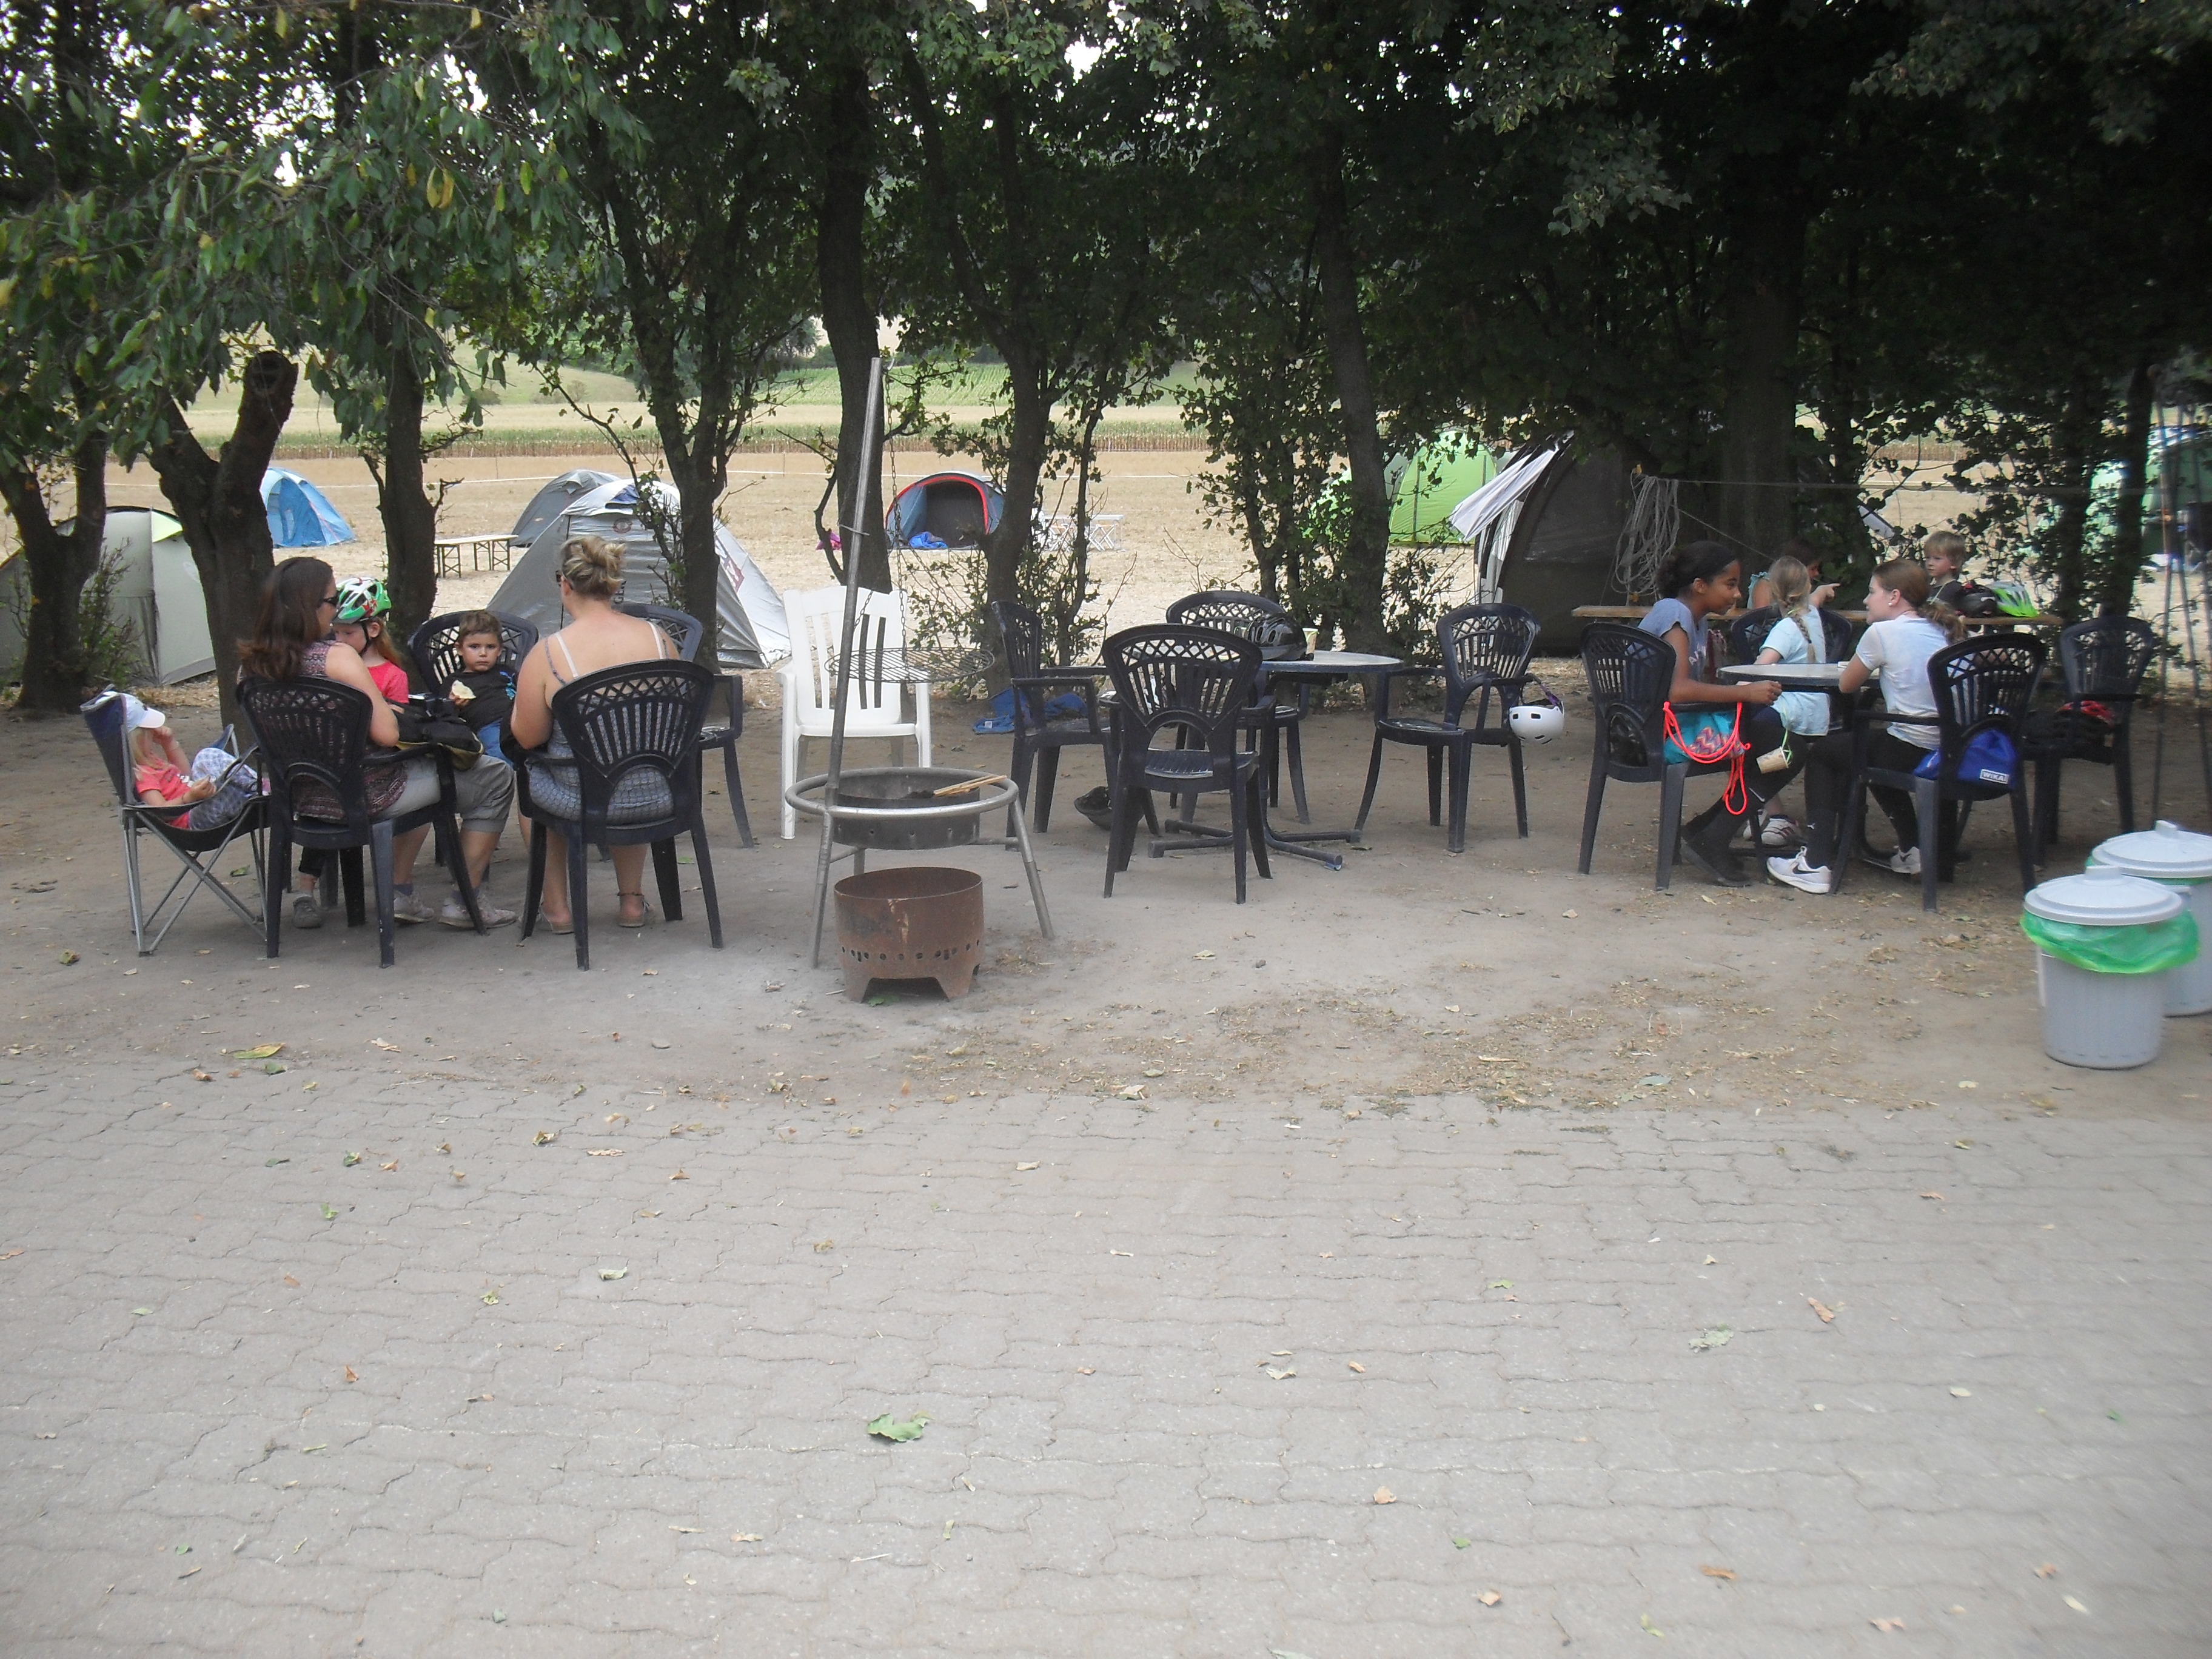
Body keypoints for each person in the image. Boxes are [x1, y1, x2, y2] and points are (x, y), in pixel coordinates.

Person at [240, 556, 517, 931]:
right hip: (366, 794)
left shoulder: (251, 667)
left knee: (438, 772)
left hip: (299, 798)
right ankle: (463, 901)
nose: (335, 611)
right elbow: (387, 735)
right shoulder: (337, 658)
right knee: (496, 776)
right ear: (310, 607)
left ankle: (404, 893)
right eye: (332, 601)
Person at [508, 535, 677, 932]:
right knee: (627, 764)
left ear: (565, 584)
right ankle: (631, 902)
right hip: (658, 790)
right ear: (614, 585)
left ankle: (557, 908)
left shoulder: (550, 654)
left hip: (581, 798)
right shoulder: (660, 640)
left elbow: (528, 739)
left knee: (532, 783)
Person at [1766, 557, 1965, 894]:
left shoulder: (1883, 633)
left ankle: (1815, 863)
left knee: (1827, 754)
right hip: (1951, 747)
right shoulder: (1944, 629)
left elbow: (1846, 685)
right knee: (1872, 750)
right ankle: (1914, 849)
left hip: (1912, 746)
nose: (1865, 599)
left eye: (1872, 592)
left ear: (1894, 597)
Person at [1640, 540, 1803, 886]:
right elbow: (1678, 691)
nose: (1738, 594)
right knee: (1788, 749)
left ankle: (1708, 829)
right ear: (1700, 585)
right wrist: (1744, 693)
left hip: (1670, 724)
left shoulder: (1694, 620)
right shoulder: (1674, 614)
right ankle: (1711, 835)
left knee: (1778, 744)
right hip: (1655, 734)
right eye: (1730, 584)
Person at [122, 695, 258, 830]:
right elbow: (161, 812)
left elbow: (186, 775)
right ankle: (257, 792)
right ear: (138, 739)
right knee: (222, 787)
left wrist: (168, 743)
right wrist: (189, 798)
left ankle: (255, 786)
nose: (154, 732)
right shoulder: (143, 776)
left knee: (206, 756)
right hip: (191, 818)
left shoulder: (151, 760)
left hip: (198, 800)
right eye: (149, 731)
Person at [1753, 554, 1834, 743]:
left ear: (1773, 592)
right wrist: (1823, 590)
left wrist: (1732, 691)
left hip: (1791, 710)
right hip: (1818, 714)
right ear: (1808, 587)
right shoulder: (1812, 615)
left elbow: (1756, 672)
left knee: (1745, 725)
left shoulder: (1785, 629)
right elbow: (1815, 599)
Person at [447, 611, 517, 763]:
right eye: (474, 647)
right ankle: (512, 777)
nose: (483, 653)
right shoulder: (454, 681)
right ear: (460, 649)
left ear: (499, 650)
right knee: (501, 754)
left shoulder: (506, 672)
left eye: (490, 647)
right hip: (489, 726)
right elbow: (444, 714)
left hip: (518, 718)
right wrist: (454, 705)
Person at [332, 576, 412, 705]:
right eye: (336, 632)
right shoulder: (333, 667)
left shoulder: (393, 677)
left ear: (374, 630)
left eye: (348, 633)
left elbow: (396, 714)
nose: (339, 640)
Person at [1748, 538, 1838, 612]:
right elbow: (1761, 619)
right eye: (1813, 569)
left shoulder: (1798, 589)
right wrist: (1818, 594)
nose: (1817, 573)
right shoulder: (1766, 585)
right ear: (1797, 568)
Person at [1923, 531, 1968, 606]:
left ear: (1954, 563)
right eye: (1928, 558)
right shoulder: (1926, 591)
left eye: (1937, 559)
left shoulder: (1958, 591)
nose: (1930, 563)